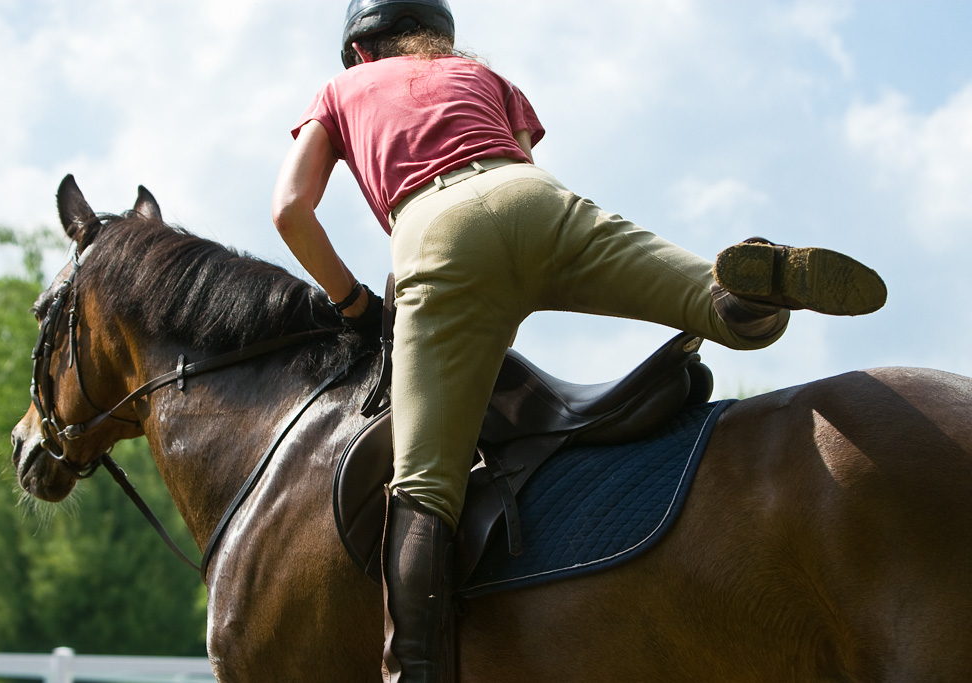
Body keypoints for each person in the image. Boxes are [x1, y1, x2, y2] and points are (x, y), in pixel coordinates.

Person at [271, 1, 887, 680]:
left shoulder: (341, 89)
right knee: (701, 297)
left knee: (424, 486)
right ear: (437, 40)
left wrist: (354, 300)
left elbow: (290, 209)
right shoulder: (480, 76)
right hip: (534, 197)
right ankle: (750, 298)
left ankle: (415, 673)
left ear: (361, 52)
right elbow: (519, 162)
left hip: (436, 230)